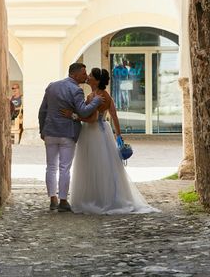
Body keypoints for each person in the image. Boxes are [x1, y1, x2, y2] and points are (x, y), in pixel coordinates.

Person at [62, 67, 158, 215]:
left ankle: (96, 199)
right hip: (102, 131)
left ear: (97, 80)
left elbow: (93, 119)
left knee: (94, 165)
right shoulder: (105, 95)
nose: (88, 77)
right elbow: (113, 114)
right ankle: (101, 196)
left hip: (93, 132)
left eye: (90, 76)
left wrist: (74, 116)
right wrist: (118, 135)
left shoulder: (95, 97)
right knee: (103, 165)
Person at [38, 63, 105, 212]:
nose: (86, 76)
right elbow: (84, 111)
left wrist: (42, 129)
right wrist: (96, 101)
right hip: (67, 133)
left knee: (51, 167)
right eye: (83, 73)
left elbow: (43, 110)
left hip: (50, 132)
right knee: (64, 168)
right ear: (74, 75)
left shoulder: (51, 86)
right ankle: (63, 200)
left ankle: (52, 199)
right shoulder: (76, 90)